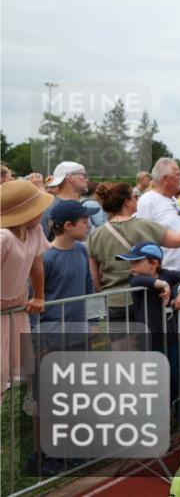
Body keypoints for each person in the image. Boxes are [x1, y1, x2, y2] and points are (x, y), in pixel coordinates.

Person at [88, 182, 180, 322]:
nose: (138, 199)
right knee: (150, 342)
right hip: (145, 299)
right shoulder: (144, 226)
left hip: (113, 301)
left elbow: (94, 276)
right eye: (135, 196)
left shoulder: (95, 235)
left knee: (120, 344)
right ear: (127, 202)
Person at [115, 241, 180, 424]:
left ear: (153, 263)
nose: (132, 267)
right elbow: (138, 280)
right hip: (151, 344)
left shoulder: (167, 274)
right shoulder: (137, 281)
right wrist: (160, 284)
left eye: (136, 262)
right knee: (156, 384)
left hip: (172, 339)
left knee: (177, 377)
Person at [1, 182, 50, 401]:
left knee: (5, 381)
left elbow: (37, 266)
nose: (42, 211)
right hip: (1, 312)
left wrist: (39, 295)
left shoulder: (35, 231)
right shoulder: (3, 238)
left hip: (15, 311)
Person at [38, 201, 98, 329]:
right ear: (68, 225)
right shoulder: (45, 258)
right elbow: (33, 299)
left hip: (81, 331)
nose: (88, 226)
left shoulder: (82, 250)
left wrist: (94, 323)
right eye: (84, 221)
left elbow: (89, 289)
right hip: (52, 335)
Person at [136, 159, 180, 272]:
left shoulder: (172, 199)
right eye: (178, 174)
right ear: (166, 179)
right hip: (166, 273)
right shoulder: (147, 201)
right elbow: (143, 239)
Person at [39, 161, 94, 240]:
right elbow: (43, 242)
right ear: (70, 177)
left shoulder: (77, 204)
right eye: (84, 175)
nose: (87, 180)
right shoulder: (52, 208)